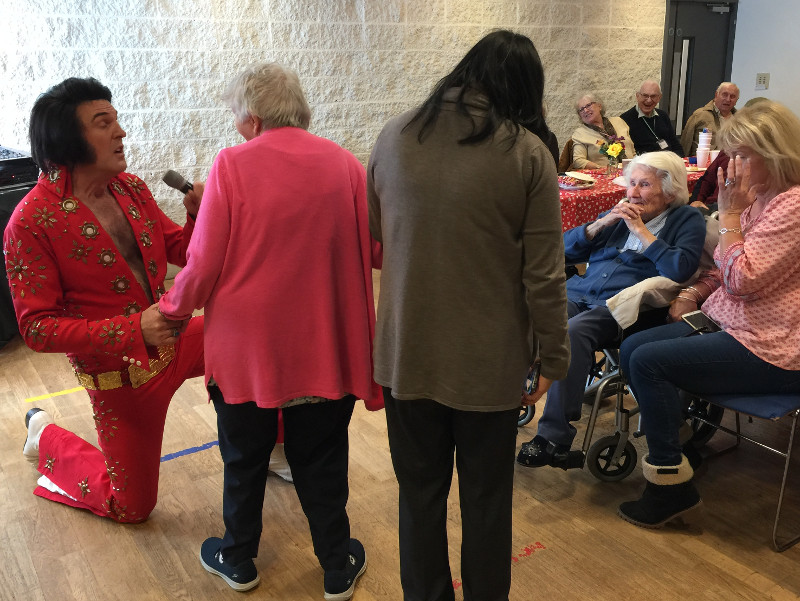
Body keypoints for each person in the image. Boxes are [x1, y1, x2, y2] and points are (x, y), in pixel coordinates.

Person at [157, 62, 382, 598]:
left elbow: (203, 263)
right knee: (321, 459)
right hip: (326, 347)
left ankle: (238, 560)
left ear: (252, 117)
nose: (235, 127)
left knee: (244, 457)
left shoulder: (231, 167)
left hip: (248, 352)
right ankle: (335, 565)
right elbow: (376, 251)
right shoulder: (347, 166)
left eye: (236, 116)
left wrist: (171, 310)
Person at [367, 30, 570, 601]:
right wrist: (554, 356)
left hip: (406, 352)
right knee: (485, 503)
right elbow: (544, 275)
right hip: (489, 361)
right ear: (525, 88)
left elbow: (377, 231)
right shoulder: (528, 152)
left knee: (419, 497)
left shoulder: (395, 133)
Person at [4, 77, 205, 522]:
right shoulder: (30, 222)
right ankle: (45, 435)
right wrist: (134, 329)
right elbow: (37, 327)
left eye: (116, 120)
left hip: (177, 341)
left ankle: (274, 447)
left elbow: (179, 249)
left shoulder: (130, 189)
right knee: (131, 507)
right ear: (68, 139)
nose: (121, 133)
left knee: (249, 334)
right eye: (104, 123)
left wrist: (196, 214)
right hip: (121, 379)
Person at [618, 100, 800, 528]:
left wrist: (731, 214)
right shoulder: (764, 199)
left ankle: (669, 486)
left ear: (773, 155)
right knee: (633, 348)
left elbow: (741, 279)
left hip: (773, 346)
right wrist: (691, 293)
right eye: (729, 154)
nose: (730, 167)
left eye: (741, 156)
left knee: (647, 361)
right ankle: (680, 450)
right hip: (736, 324)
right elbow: (722, 269)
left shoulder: (792, 206)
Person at [517, 151, 706, 468]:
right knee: (533, 312)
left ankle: (553, 438)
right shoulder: (620, 212)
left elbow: (681, 268)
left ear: (670, 189)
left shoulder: (686, 219)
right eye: (631, 183)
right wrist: (601, 223)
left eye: (644, 184)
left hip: (627, 305)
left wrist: (643, 233)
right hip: (581, 292)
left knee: (573, 332)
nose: (633, 192)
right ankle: (515, 394)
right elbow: (561, 250)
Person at [570, 92, 635, 169]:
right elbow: (578, 161)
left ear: (599, 106)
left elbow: (632, 151)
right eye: (581, 109)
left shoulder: (619, 121)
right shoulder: (580, 133)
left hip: (631, 172)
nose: (586, 110)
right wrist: (601, 168)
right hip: (603, 176)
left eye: (588, 105)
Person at [620, 80, 683, 156]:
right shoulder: (625, 119)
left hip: (668, 162)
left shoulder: (663, 116)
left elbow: (676, 145)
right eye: (645, 96)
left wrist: (677, 160)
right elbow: (629, 153)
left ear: (659, 98)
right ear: (637, 96)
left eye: (653, 96)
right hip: (645, 164)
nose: (649, 100)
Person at [680, 82, 739, 156]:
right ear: (716, 95)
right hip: (702, 163)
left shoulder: (739, 119)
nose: (728, 99)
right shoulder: (700, 115)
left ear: (737, 100)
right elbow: (685, 143)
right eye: (724, 95)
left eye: (732, 96)